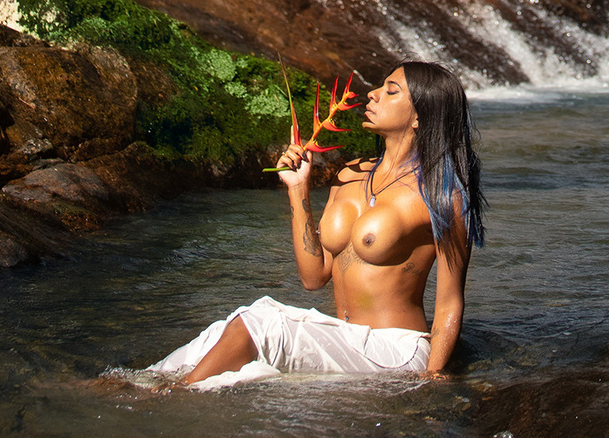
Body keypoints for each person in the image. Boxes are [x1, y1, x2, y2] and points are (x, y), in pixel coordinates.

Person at [148, 60, 485, 389]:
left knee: (262, 321)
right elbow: (314, 276)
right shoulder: (350, 174)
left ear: (419, 117)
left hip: (395, 350)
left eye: (391, 91)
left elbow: (449, 302)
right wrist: (298, 190)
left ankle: (172, 401)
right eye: (380, 86)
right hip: (345, 342)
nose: (373, 94)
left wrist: (433, 375)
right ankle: (135, 387)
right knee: (213, 339)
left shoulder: (441, 195)